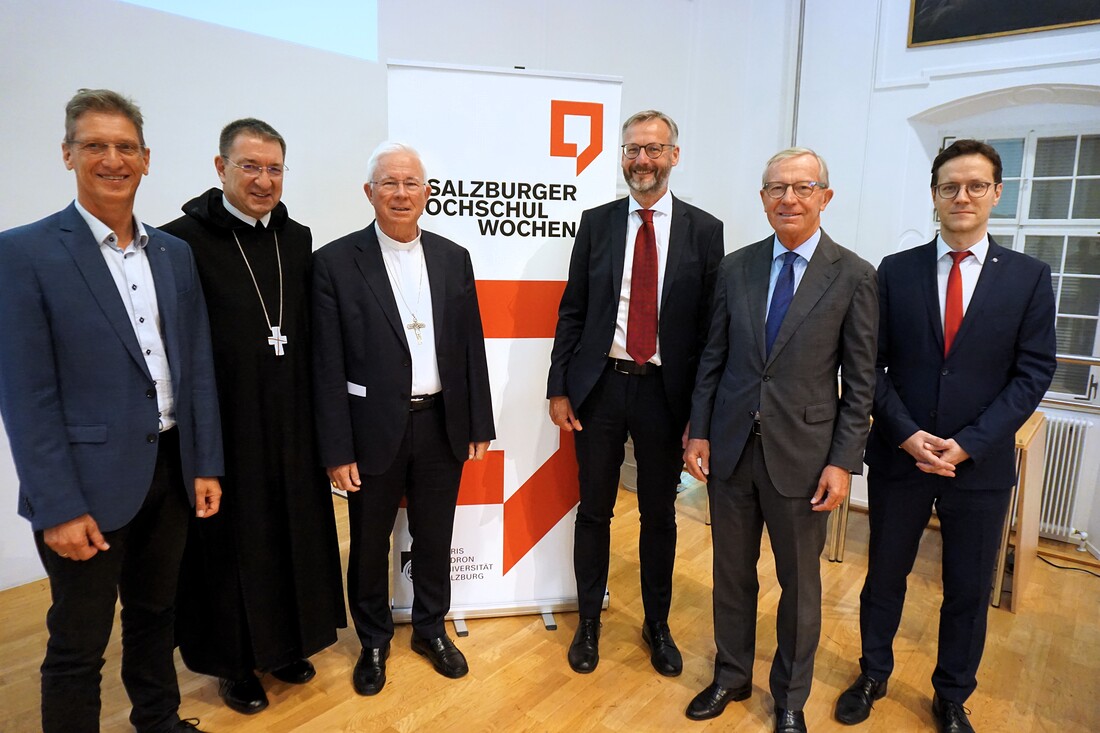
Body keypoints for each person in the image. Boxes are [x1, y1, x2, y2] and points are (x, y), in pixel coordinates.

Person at [0, 88, 223, 733]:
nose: (112, 159)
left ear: (146, 159)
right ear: (67, 154)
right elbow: (26, 396)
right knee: (79, 643)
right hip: (86, 489)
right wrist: (57, 506)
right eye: (95, 145)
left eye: (125, 147)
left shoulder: (174, 254)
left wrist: (204, 462)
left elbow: (196, 367)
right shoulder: (26, 254)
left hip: (171, 472)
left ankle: (159, 720)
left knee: (156, 617)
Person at [834, 139, 1056, 733]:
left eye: (975, 185)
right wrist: (906, 435)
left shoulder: (1029, 278)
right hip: (901, 459)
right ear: (933, 195)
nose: (962, 196)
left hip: (977, 467)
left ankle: (952, 694)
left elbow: (1033, 372)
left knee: (966, 587)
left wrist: (971, 442)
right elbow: (869, 366)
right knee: (884, 576)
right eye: (949, 186)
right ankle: (873, 672)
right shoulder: (895, 271)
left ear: (996, 194)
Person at [684, 148, 878, 733]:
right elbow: (713, 357)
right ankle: (730, 675)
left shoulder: (853, 275)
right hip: (733, 449)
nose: (788, 198)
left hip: (804, 456)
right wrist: (698, 429)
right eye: (776, 188)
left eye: (802, 187)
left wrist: (844, 462)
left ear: (826, 196)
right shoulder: (736, 268)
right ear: (762, 197)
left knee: (799, 585)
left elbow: (861, 383)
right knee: (731, 574)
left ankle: (791, 696)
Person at [160, 119, 346, 715]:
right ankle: (235, 663)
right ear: (220, 169)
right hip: (226, 426)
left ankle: (287, 644)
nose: (264, 181)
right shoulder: (180, 242)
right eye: (250, 167)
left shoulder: (298, 238)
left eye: (274, 169)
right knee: (230, 548)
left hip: (292, 422)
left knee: (293, 532)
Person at [312, 142, 495, 696]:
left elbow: (470, 345)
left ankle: (430, 628)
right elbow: (325, 365)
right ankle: (372, 640)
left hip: (441, 423)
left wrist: (478, 423)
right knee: (369, 541)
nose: (400, 193)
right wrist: (336, 450)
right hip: (370, 431)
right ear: (369, 193)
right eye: (388, 183)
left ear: (427, 192)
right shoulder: (335, 262)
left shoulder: (452, 256)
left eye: (410, 183)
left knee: (435, 536)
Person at [547, 110, 724, 677]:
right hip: (599, 389)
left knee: (659, 516)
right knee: (594, 511)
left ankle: (657, 623)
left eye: (653, 150)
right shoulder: (596, 223)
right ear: (621, 157)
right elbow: (572, 310)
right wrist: (559, 386)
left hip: (664, 396)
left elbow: (708, 333)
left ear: (674, 155)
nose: (641, 160)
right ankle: (591, 622)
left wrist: (701, 416)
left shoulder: (705, 230)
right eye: (631, 150)